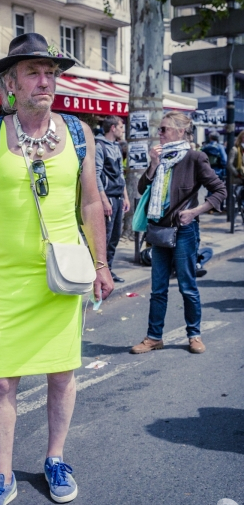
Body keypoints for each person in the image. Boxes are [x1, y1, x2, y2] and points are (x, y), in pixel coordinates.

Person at [0, 33, 113, 505]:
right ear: (10, 83)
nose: (46, 81)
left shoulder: (79, 133)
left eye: (51, 72)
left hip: (63, 276)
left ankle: (55, 460)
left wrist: (101, 264)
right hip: (7, 278)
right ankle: (2, 478)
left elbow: (90, 204)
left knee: (62, 374)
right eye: (34, 73)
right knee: (2, 382)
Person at [131, 111, 226, 356]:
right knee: (158, 288)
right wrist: (152, 165)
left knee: (187, 286)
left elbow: (219, 190)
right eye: (159, 129)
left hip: (184, 230)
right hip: (160, 230)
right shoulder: (160, 158)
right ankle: (154, 337)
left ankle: (194, 334)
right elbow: (143, 188)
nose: (159, 134)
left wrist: (196, 211)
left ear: (180, 131)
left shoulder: (195, 157)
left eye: (164, 129)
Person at [95, 115, 130, 283]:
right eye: (121, 127)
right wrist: (104, 200)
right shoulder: (99, 146)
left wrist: (126, 197)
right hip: (108, 197)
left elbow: (119, 174)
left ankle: (108, 270)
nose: (123, 131)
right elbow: (96, 175)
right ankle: (99, 272)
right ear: (113, 128)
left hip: (117, 197)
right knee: (106, 236)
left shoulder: (116, 146)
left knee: (115, 236)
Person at [227, 130, 244, 212]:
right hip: (239, 178)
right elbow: (230, 165)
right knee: (240, 197)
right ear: (241, 138)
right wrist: (238, 174)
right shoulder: (235, 149)